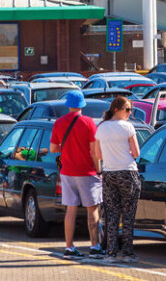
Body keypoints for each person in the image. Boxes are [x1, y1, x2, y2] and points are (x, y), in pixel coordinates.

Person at [50, 90, 103, 259]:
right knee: (92, 209)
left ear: (68, 105)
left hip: (67, 172)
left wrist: (65, 149)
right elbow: (95, 152)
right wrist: (99, 171)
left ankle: (69, 248)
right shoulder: (89, 123)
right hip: (87, 171)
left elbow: (52, 149)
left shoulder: (58, 123)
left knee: (70, 210)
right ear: (82, 106)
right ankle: (94, 246)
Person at [95, 96, 141, 264]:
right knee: (128, 214)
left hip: (109, 173)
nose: (130, 113)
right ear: (117, 110)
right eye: (127, 109)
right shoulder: (128, 127)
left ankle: (111, 253)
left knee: (112, 214)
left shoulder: (101, 127)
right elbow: (136, 153)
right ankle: (128, 253)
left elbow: (98, 155)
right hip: (128, 173)